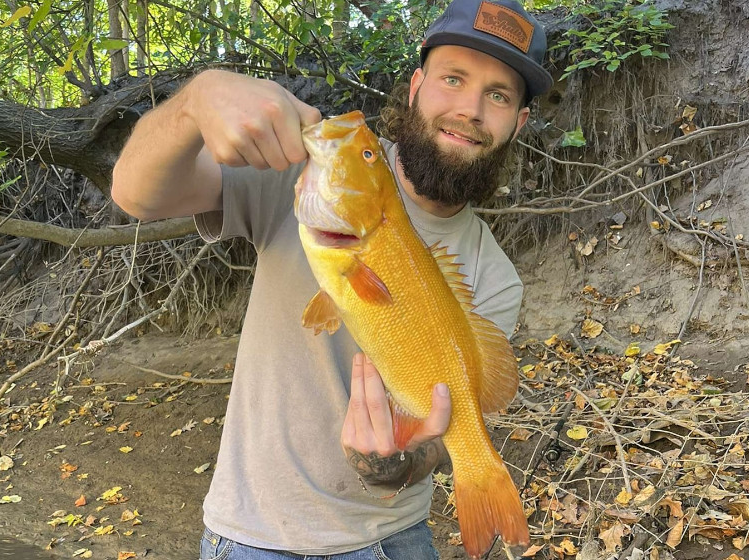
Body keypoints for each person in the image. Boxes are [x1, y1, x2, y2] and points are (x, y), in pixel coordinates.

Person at [111, 0, 552, 557]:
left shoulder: (498, 278)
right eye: (454, 78)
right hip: (258, 537)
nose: (470, 108)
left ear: (519, 121)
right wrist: (195, 102)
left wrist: (396, 462)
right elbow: (133, 193)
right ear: (416, 86)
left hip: (399, 537)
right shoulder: (303, 177)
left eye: (498, 95)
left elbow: (443, 438)